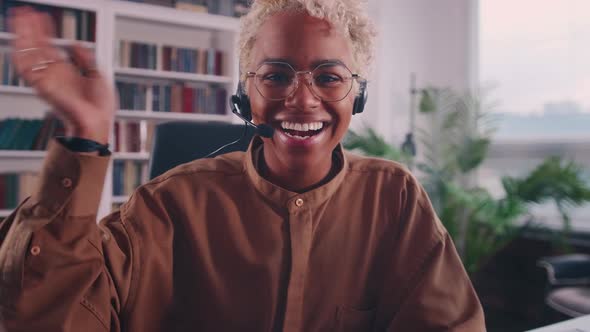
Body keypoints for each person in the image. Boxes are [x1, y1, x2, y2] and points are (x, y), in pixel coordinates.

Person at [0, 0, 486, 331]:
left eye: (329, 77)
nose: (302, 98)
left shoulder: (394, 199)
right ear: (244, 93)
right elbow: (51, 314)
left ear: (357, 93)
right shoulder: (169, 205)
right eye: (275, 75)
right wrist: (86, 135)